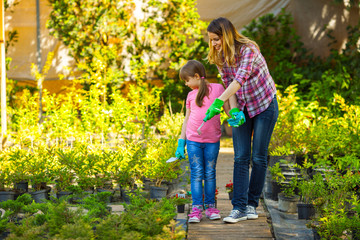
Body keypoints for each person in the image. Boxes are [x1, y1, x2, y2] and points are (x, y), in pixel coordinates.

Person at [205, 17, 279, 223]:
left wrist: (217, 102)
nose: (214, 44)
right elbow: (229, 85)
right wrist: (234, 111)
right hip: (244, 107)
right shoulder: (220, 57)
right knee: (240, 157)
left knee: (258, 157)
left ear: (227, 35)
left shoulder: (249, 49)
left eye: (216, 39)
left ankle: (251, 205)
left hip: (265, 105)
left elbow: (240, 79)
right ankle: (237, 208)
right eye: (211, 40)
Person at [175, 60, 236, 223]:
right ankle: (196, 209)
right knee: (196, 174)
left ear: (196, 76)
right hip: (193, 141)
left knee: (209, 173)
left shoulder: (218, 89)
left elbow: (228, 109)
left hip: (212, 141)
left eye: (187, 80)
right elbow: (186, 119)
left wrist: (235, 115)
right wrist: (182, 142)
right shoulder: (190, 95)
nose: (186, 84)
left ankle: (210, 207)